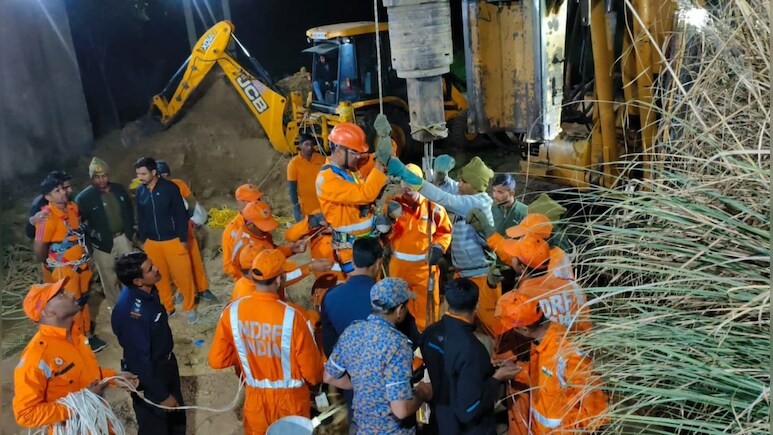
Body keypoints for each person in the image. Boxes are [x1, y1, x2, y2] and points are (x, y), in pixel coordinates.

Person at [383, 155, 501, 335]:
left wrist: (408, 176)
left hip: (481, 277)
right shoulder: (467, 193)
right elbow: (447, 187)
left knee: (492, 326)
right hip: (461, 273)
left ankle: (501, 353)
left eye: (463, 182)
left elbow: (446, 200)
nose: (458, 184)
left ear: (475, 186)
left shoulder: (478, 202)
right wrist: (441, 175)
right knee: (458, 325)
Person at [209, 249, 323, 434]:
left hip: (255, 401)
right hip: (291, 403)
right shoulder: (294, 317)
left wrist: (249, 355)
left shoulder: (233, 312)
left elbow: (217, 360)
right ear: (278, 280)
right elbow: (313, 374)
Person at [13, 279, 138, 430]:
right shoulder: (37, 356)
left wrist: (113, 378)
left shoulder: (76, 336)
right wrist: (82, 401)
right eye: (61, 294)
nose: (71, 294)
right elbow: (26, 414)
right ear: (47, 311)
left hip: (98, 423)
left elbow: (83, 374)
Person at [495, 275, 607, 434]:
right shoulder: (541, 344)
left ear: (524, 330)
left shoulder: (569, 355)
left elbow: (597, 413)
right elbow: (544, 382)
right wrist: (517, 372)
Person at [323, 277, 432, 434]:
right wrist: (422, 392)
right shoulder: (397, 345)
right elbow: (401, 409)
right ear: (399, 310)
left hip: (361, 429)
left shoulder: (352, 332)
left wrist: (362, 385)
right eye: (406, 306)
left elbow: (329, 376)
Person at [420, 278, 521, 435]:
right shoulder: (472, 349)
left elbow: (449, 368)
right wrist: (497, 378)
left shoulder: (430, 334)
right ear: (477, 305)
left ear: (446, 302)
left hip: (440, 421)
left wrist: (486, 369)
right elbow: (467, 410)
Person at [112, 252, 187, 435]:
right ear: (138, 281)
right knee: (156, 427)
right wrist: (162, 395)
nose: (157, 269)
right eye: (150, 269)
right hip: (150, 375)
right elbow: (139, 360)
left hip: (166, 364)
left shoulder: (149, 290)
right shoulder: (132, 314)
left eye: (153, 264)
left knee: (177, 420)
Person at [33, 174, 107, 351]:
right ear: (48, 197)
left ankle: (87, 335)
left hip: (80, 265)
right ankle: (77, 340)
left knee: (83, 301)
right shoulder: (46, 218)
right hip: (64, 269)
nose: (62, 193)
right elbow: (39, 247)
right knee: (70, 305)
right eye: (56, 191)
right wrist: (49, 264)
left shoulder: (72, 208)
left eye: (62, 189)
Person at [383, 163, 452, 331]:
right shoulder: (393, 205)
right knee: (397, 310)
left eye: (410, 181)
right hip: (398, 269)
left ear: (420, 182)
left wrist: (438, 247)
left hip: (423, 270)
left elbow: (445, 232)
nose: (405, 186)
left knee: (426, 313)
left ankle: (424, 339)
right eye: (403, 181)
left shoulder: (434, 208)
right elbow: (383, 233)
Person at [316, 122, 388, 275]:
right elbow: (365, 194)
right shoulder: (327, 180)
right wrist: (379, 168)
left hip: (369, 245)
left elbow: (378, 157)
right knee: (363, 287)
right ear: (339, 149)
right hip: (351, 252)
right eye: (354, 152)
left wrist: (387, 140)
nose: (358, 156)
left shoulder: (350, 168)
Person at [134, 157, 197, 324]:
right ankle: (168, 307)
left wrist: (182, 238)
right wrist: (143, 239)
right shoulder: (140, 191)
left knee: (183, 276)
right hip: (152, 243)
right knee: (158, 278)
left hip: (173, 240)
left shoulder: (170, 188)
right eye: (138, 174)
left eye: (143, 174)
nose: (140, 177)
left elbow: (181, 215)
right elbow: (140, 216)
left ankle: (190, 308)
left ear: (154, 172)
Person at [75, 157, 135, 312]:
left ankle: (133, 303)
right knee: (109, 278)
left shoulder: (119, 189)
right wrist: (91, 241)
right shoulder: (84, 198)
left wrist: (131, 231)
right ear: (92, 178)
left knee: (129, 273)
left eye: (104, 176)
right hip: (102, 244)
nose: (101, 180)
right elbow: (79, 223)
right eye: (97, 177)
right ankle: (117, 308)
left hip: (123, 238)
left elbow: (129, 210)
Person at [155, 160, 217, 302]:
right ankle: (183, 291)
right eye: (161, 176)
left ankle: (202, 289)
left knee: (195, 260)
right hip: (169, 235)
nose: (164, 178)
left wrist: (188, 217)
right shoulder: (153, 192)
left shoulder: (178, 185)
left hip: (186, 230)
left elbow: (191, 201)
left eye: (166, 175)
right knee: (176, 265)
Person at [221, 200, 305, 281]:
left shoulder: (257, 233)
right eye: (263, 226)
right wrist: (306, 269)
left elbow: (272, 251)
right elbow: (268, 281)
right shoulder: (250, 248)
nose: (268, 230)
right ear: (250, 225)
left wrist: (291, 249)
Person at [27, 170, 74, 284]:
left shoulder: (70, 203)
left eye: (65, 188)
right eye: (64, 188)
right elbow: (34, 236)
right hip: (56, 260)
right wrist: (33, 221)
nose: (68, 191)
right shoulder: (41, 208)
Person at [489, 174, 527, 292]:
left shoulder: (524, 212)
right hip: (492, 266)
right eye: (494, 191)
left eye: (500, 192)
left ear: (512, 193)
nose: (495, 195)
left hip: (513, 268)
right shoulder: (490, 209)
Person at [221, 183, 264, 280]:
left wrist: (289, 250)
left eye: (258, 200)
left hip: (267, 273)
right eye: (253, 201)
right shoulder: (231, 231)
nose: (257, 204)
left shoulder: (262, 220)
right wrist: (249, 278)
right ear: (241, 202)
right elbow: (228, 266)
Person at [287, 133, 326, 222]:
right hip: (307, 212)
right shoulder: (293, 164)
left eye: (311, 144)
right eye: (306, 144)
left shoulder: (322, 159)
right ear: (300, 146)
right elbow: (292, 189)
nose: (309, 147)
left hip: (324, 207)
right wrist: (296, 209)